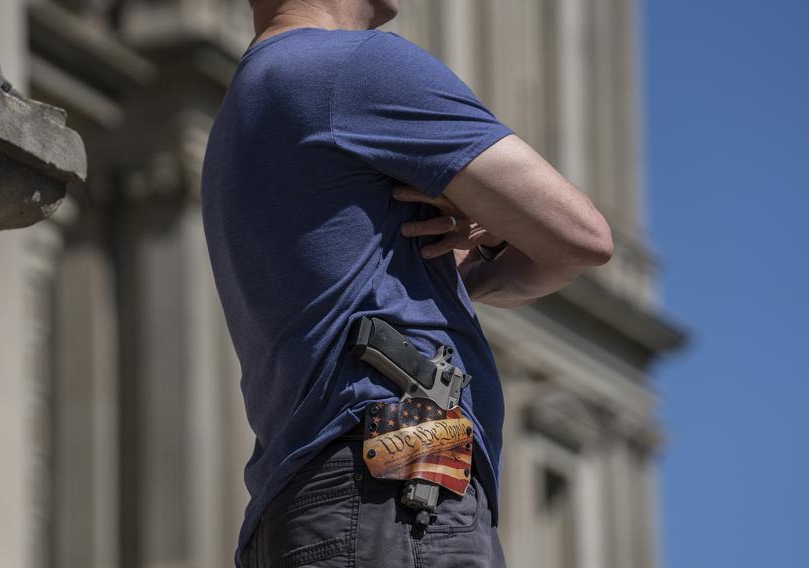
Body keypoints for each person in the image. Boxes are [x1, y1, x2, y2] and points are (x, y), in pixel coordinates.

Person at [200, 1, 613, 566]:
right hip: (395, 492)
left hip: (310, 507)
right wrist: (487, 253)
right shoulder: (358, 67)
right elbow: (581, 237)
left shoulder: (248, 101)